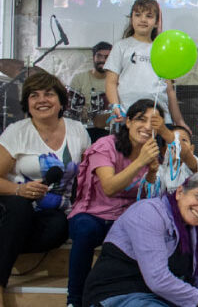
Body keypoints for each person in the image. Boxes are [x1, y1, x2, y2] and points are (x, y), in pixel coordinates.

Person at [82, 172, 198, 307]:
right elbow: (158, 280)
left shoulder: (196, 229)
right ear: (180, 192)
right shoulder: (149, 213)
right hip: (120, 296)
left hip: (165, 298)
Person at [0, 72, 91, 303]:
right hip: (14, 204)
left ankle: (7, 244)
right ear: (27, 103)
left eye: (49, 94)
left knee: (59, 226)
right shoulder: (16, 132)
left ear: (61, 101)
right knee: (20, 209)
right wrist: (19, 190)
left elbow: (89, 176)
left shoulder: (77, 130)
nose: (42, 100)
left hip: (51, 214)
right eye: (34, 95)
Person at [66, 99, 166, 307]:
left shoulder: (154, 151)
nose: (147, 126)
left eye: (154, 122)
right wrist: (140, 162)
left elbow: (148, 199)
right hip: (94, 214)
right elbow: (109, 187)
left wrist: (153, 172)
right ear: (128, 122)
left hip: (125, 219)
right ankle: (74, 300)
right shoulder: (106, 145)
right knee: (85, 229)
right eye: (141, 119)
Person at [104, 0, 188, 129]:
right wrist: (115, 106)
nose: (143, 19)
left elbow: (170, 90)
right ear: (131, 19)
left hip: (159, 119)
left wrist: (179, 121)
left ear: (156, 22)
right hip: (128, 116)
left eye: (149, 16)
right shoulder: (121, 47)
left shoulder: (162, 50)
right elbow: (111, 82)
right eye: (138, 15)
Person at [70, 41, 112, 142]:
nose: (103, 60)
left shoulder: (117, 81)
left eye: (107, 57)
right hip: (85, 130)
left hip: (109, 130)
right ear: (93, 57)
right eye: (99, 56)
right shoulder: (79, 78)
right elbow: (72, 109)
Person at [159, 125, 198, 194]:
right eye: (171, 141)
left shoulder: (194, 163)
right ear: (163, 151)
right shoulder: (160, 170)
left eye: (183, 140)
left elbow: (187, 156)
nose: (177, 144)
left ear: (191, 149)